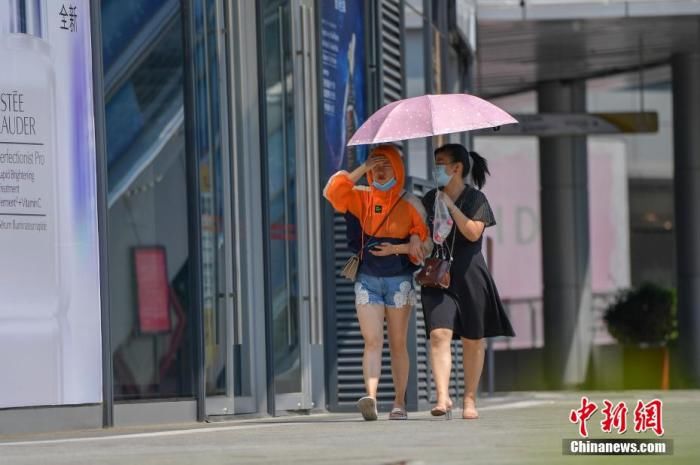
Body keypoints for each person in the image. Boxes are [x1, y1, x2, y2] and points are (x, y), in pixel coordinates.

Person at [323, 144, 430, 421]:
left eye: (386, 165)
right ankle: (370, 397)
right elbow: (332, 192)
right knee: (371, 340)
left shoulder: (411, 203)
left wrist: (404, 247)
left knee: (397, 343)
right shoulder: (359, 196)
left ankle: (398, 403)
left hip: (399, 281)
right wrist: (362, 168)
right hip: (367, 280)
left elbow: (427, 245)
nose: (380, 171)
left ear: (398, 169)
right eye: (376, 165)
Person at [421, 143, 515, 420]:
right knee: (439, 334)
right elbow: (422, 234)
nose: (435, 168)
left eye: (440, 163)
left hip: (470, 275)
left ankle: (470, 399)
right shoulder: (429, 199)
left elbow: (472, 233)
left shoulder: (476, 199)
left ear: (456, 168)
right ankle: (442, 396)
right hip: (437, 276)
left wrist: (450, 205)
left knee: (473, 340)